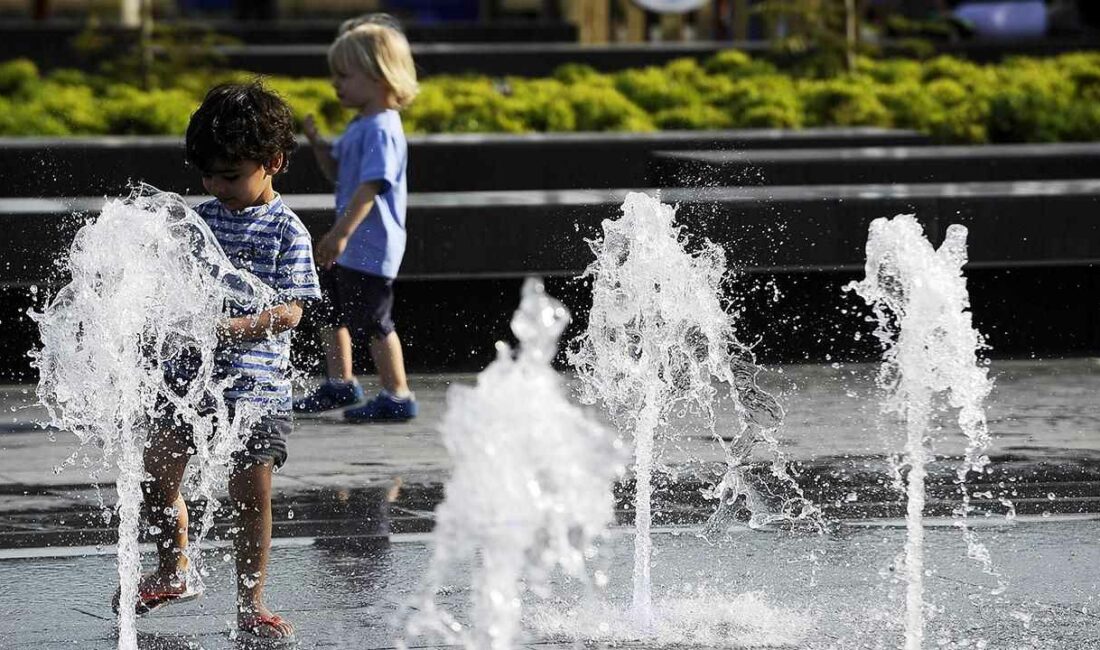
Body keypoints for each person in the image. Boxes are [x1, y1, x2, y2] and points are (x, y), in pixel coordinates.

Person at [113, 81, 321, 641]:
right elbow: (172, 285)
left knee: (250, 498)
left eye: (229, 175)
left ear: (273, 162)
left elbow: (294, 311)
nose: (215, 186)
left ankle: (251, 603)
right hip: (187, 378)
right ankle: (173, 566)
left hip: (254, 390)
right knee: (156, 473)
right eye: (207, 175)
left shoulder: (287, 230)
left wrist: (232, 327)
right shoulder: (199, 219)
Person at [293, 14, 419, 422]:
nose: (336, 84)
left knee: (374, 319)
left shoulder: (382, 129)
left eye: (344, 76)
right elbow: (337, 174)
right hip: (350, 243)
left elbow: (372, 187)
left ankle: (397, 394)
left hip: (369, 245)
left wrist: (340, 234)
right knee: (328, 306)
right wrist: (318, 147)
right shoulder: (360, 125)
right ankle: (340, 381)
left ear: (379, 76)